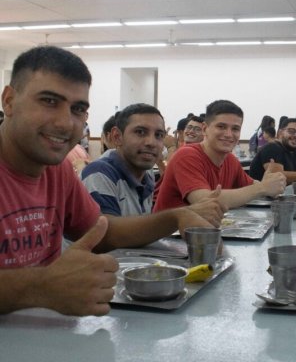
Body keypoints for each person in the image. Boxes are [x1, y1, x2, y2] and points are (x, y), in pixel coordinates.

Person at [0, 46, 221, 317]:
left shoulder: (55, 170)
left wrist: (177, 217)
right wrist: (39, 288)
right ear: (8, 101)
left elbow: (104, 232)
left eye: (78, 109)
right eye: (49, 101)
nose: (65, 123)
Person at [154, 100, 286, 211]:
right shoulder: (186, 155)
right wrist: (263, 187)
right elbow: (205, 201)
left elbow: (253, 187)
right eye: (221, 127)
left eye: (235, 129)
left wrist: (273, 184)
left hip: (204, 235)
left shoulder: (230, 160)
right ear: (205, 129)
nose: (229, 134)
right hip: (166, 238)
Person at [249, 118, 296, 183]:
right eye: (291, 131)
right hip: (260, 197)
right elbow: (278, 176)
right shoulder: (272, 148)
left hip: (283, 195)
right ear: (280, 133)